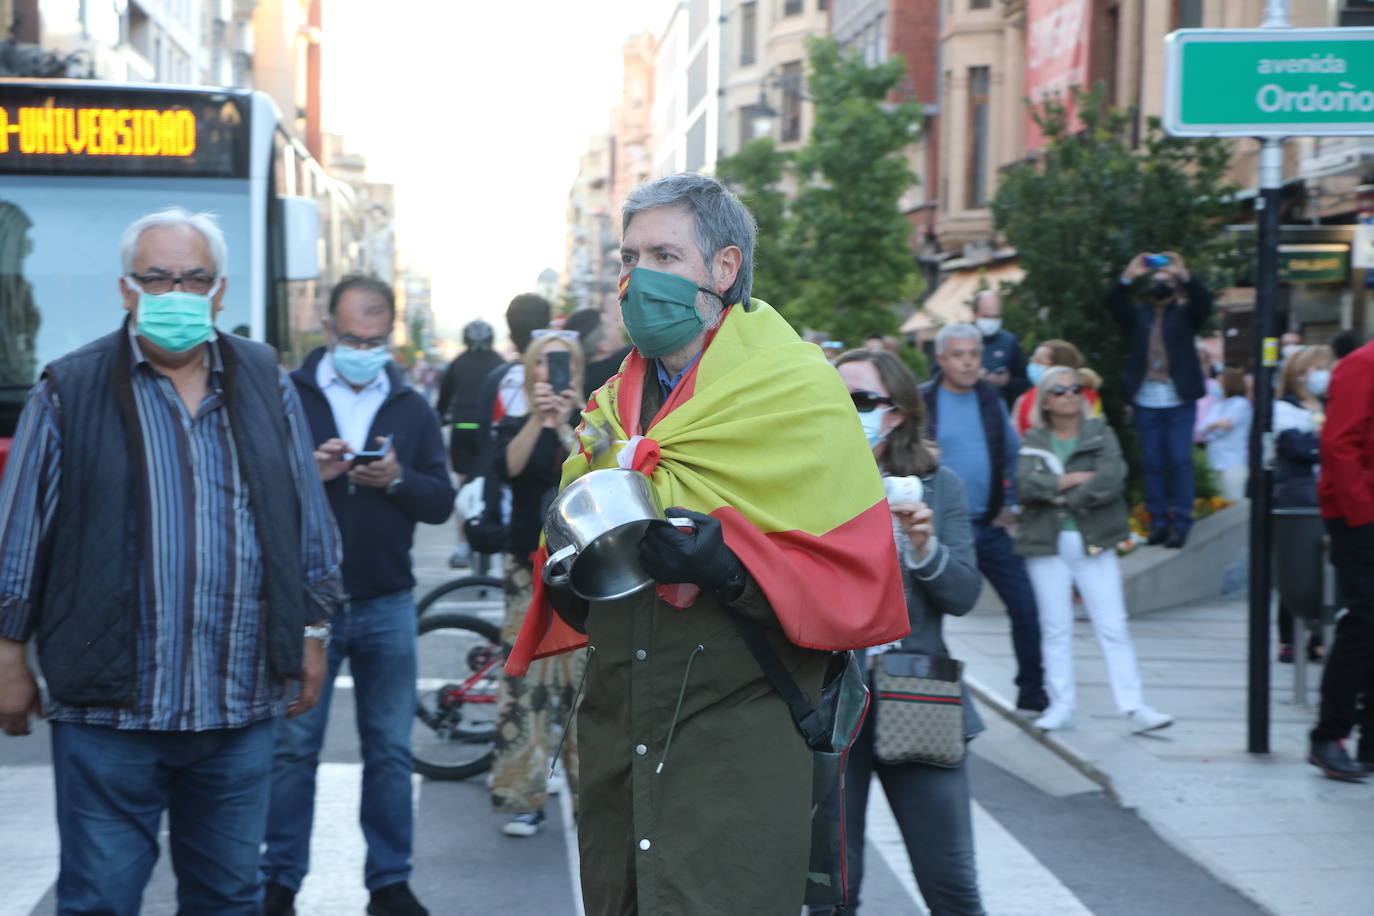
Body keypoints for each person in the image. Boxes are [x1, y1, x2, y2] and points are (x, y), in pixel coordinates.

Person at [505, 173, 909, 915]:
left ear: (722, 270)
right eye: (630, 258)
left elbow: (850, 573)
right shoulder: (608, 407)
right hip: (622, 738)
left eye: (664, 255)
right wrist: (577, 563)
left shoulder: (797, 391)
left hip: (735, 745)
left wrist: (731, 570)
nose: (637, 279)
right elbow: (571, 581)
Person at [0, 207, 343, 913]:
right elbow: (19, 533)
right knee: (99, 899)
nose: (176, 293)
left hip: (235, 704)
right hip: (109, 712)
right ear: (127, 288)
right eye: (158, 278)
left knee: (227, 897)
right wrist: (7, 658)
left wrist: (312, 634)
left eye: (194, 278)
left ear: (220, 291)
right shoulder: (69, 386)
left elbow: (304, 517)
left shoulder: (264, 379)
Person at [261, 276, 454, 916]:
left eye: (374, 340)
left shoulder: (411, 405)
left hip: (387, 601)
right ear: (327, 329)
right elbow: (252, 492)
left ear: (390, 336)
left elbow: (440, 501)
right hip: (307, 607)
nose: (363, 350)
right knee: (292, 751)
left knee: (391, 752)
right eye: (351, 338)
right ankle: (279, 880)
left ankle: (389, 883)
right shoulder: (286, 394)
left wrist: (397, 479)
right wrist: (307, 476)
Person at [816, 347, 986, 916]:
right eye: (835, 398)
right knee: (832, 891)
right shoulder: (807, 481)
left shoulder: (938, 487)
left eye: (861, 400)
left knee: (951, 885)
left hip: (918, 693)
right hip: (829, 701)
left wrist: (923, 547)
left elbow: (962, 594)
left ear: (898, 413)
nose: (848, 411)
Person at [1014, 366, 1175, 734]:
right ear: (1046, 401)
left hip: (1094, 539)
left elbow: (1111, 478)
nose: (1069, 394)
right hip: (1047, 542)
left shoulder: (1101, 432)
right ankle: (1061, 705)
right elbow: (1026, 486)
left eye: (1075, 388)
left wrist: (1058, 492)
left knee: (1113, 624)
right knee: (1055, 627)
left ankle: (1134, 707)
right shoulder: (1034, 438)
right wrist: (1070, 480)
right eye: (1059, 390)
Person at [922, 323, 1049, 714]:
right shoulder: (923, 401)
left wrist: (1012, 504)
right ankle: (925, 688)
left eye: (973, 354)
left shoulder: (989, 399)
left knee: (1026, 606)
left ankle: (1032, 690)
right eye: (958, 354)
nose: (967, 362)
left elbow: (1014, 454)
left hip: (990, 526)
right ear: (941, 359)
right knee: (928, 614)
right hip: (939, 530)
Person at [489, 332, 586, 837]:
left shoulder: (596, 420)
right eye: (545, 366)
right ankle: (522, 796)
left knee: (582, 686)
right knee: (524, 686)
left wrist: (568, 425)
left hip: (584, 571)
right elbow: (508, 468)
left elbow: (596, 474)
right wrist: (538, 419)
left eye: (564, 365)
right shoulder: (515, 416)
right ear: (530, 371)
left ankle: (589, 800)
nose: (553, 374)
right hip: (526, 565)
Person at [1106, 252, 1213, 548]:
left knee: (1179, 460)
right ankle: (1158, 524)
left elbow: (1205, 303)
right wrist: (1130, 273)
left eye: (1166, 281)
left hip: (1179, 400)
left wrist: (1184, 274)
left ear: (1176, 288)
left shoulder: (1186, 314)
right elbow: (1112, 303)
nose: (1160, 285)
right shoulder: (1138, 315)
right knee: (1152, 463)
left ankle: (1181, 523)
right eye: (1155, 281)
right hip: (1145, 399)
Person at [1312, 337, 1374, 781]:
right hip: (1360, 514)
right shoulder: (1362, 364)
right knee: (1365, 621)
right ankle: (1328, 735)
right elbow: (1339, 443)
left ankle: (1369, 742)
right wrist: (1364, 515)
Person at [1273, 346, 1333, 664]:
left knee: (1327, 571)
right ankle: (1289, 638)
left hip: (1329, 497)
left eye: (1326, 366)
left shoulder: (1333, 405)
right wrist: (1326, 444)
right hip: (1298, 500)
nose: (1324, 373)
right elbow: (1294, 446)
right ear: (1299, 373)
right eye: (1317, 367)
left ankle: (1320, 636)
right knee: (1297, 568)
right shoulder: (1284, 408)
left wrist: (1319, 444)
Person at [436, 318, 506, 568]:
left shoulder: (456, 363)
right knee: (494, 482)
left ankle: (462, 545)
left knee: (463, 486)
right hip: (488, 432)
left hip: (462, 428)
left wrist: (442, 415)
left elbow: (444, 399)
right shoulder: (499, 363)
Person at [1012, 338, 1103, 435]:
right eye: (1033, 359)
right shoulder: (1024, 399)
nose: (1032, 362)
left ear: (1058, 367)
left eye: (1039, 360)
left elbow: (1095, 436)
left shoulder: (1088, 398)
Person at [1200, 367, 1252, 504]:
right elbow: (1203, 428)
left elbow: (1226, 426)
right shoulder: (1217, 406)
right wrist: (1215, 425)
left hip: (1234, 462)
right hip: (1215, 462)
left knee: (1235, 502)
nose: (1216, 386)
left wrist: (1212, 426)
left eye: (1219, 382)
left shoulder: (1240, 404)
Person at [972, 289, 1029, 407]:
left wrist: (1006, 382)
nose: (991, 321)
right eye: (986, 316)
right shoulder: (960, 338)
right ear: (974, 314)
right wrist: (971, 376)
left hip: (999, 407)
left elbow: (1025, 382)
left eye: (996, 317)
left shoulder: (1009, 341)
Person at [564, 306, 630, 397]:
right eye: (611, 325)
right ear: (603, 345)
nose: (618, 328)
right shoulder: (625, 362)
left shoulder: (577, 382)